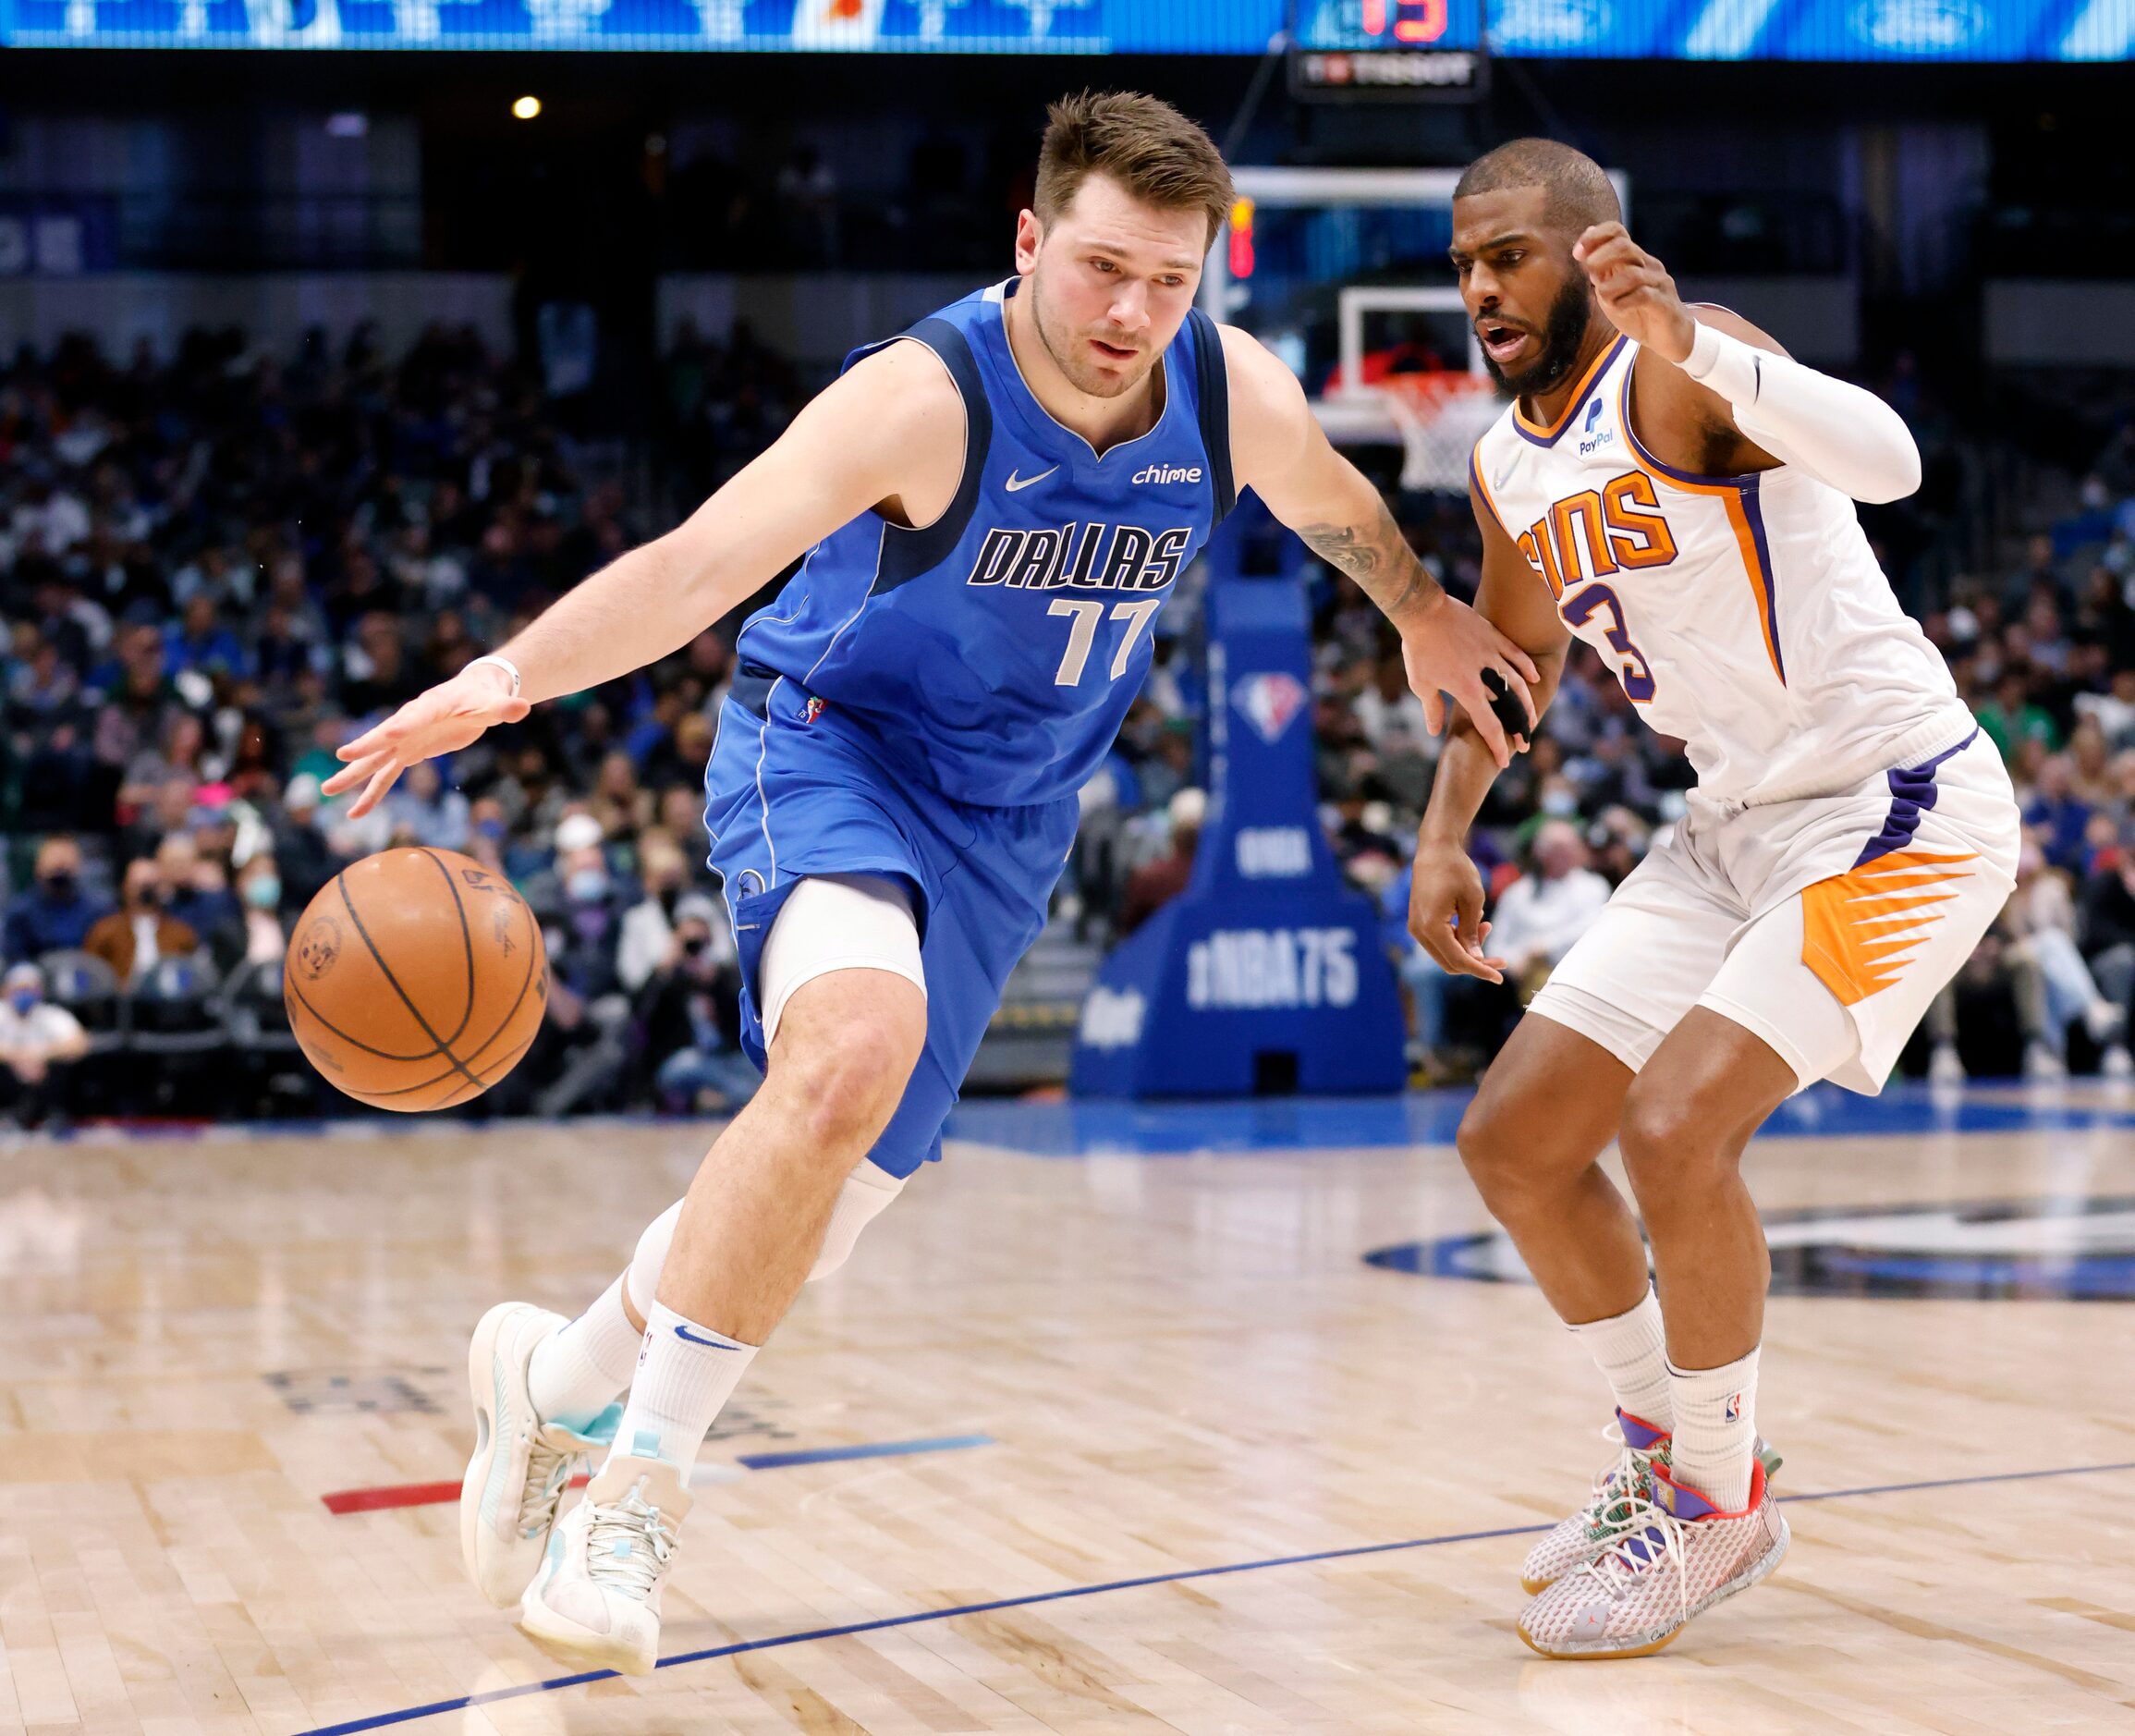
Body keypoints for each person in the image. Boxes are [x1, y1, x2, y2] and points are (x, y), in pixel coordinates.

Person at [326, 91, 1536, 1676]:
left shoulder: (1223, 390)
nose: (1132, 314)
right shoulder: (923, 397)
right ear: (1029, 241)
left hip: (1004, 824)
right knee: (846, 1052)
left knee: (815, 1206)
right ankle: (639, 1493)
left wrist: (1427, 608)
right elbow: (698, 564)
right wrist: (499, 677)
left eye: (1170, 281)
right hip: (826, 750)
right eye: (1102, 268)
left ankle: (551, 1385)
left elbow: (1339, 511)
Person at [1411, 139, 2019, 1658]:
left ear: (1592, 248)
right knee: (1518, 1143)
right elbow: (1514, 660)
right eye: (1465, 261)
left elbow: (1895, 462)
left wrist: (1703, 346)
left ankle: (1719, 1491)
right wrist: (1443, 831)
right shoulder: (1505, 461)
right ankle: (1651, 1461)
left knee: (1675, 1125)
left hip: (1899, 806)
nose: (1483, 284)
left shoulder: (1684, 365)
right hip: (1728, 825)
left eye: (1511, 254)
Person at [0, 961, 90, 1128]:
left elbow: (80, 1043)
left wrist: (40, 1054)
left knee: (65, 1063)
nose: (24, 994)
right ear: (5, 990)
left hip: (44, 1079)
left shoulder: (51, 1014)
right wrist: (17, 1058)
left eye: (30, 988)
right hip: (8, 1080)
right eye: (19, 988)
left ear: (40, 991)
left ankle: (53, 1117)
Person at [85, 858, 201, 984]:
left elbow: (193, 976)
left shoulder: (181, 933)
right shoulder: (105, 931)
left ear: (162, 888)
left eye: (151, 885)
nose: (145, 893)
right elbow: (91, 974)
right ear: (125, 887)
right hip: (120, 999)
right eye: (139, 885)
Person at [4, 836, 106, 965]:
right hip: (37, 978)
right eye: (54, 870)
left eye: (65, 869)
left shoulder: (99, 910)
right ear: (38, 868)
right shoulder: (21, 912)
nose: (60, 875)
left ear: (78, 868)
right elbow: (15, 960)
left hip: (88, 977)